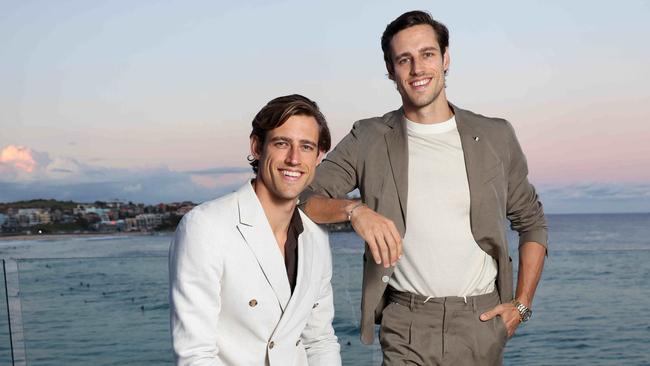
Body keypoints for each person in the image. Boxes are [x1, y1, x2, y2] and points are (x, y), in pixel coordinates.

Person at [300, 10, 548, 365]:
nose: (417, 69)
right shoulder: (368, 138)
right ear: (391, 71)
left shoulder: (495, 135)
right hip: (407, 322)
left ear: (445, 59)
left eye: (427, 54)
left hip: (480, 321)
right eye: (404, 59)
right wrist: (354, 210)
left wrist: (521, 305)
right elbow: (305, 197)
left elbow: (532, 222)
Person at [169, 94, 342, 366]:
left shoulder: (316, 237)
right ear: (257, 146)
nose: (294, 159)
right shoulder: (205, 227)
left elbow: (319, 340)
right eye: (282, 143)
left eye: (306, 147)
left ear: (319, 156)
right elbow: (196, 355)